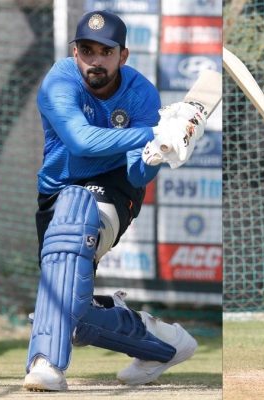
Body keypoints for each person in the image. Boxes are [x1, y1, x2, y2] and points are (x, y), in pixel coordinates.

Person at [23, 10, 208, 391]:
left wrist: (157, 154)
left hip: (115, 186)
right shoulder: (60, 80)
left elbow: (137, 175)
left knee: (73, 225)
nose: (95, 60)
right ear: (75, 52)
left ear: (123, 56)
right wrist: (154, 133)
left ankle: (46, 364)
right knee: (70, 315)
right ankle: (164, 343)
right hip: (56, 189)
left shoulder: (141, 94)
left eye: (105, 52)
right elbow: (81, 141)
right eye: (86, 50)